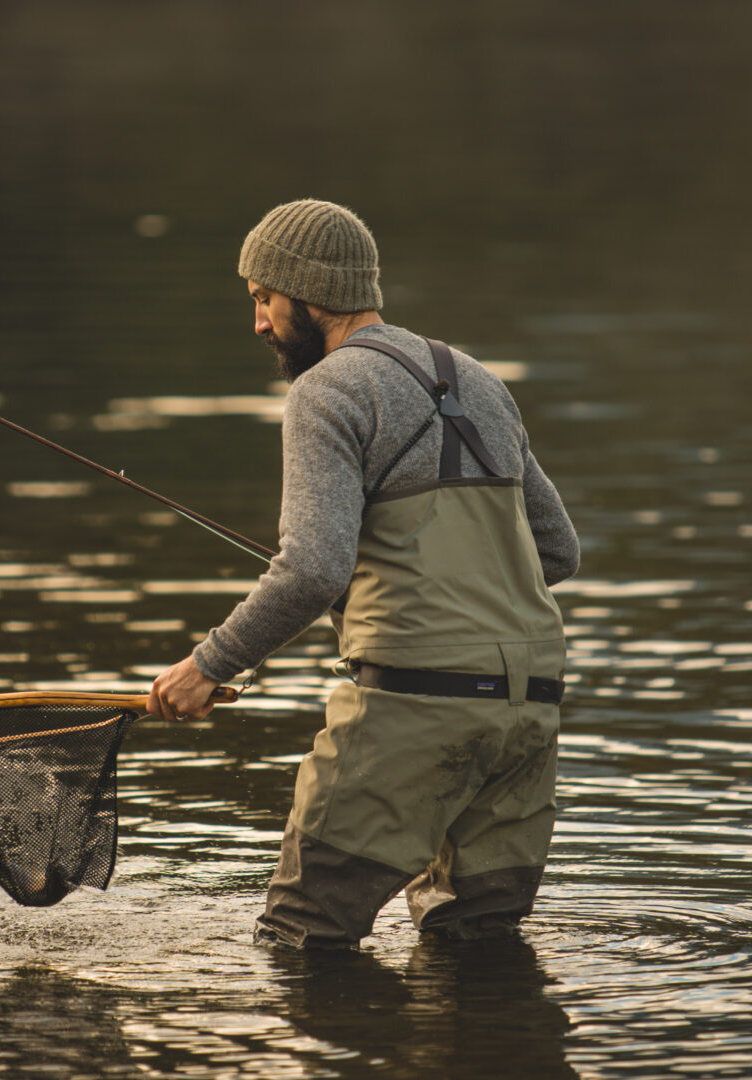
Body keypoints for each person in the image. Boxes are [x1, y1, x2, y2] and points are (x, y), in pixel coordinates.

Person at [148, 199, 578, 948]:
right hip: (528, 711)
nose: (258, 322)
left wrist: (208, 664)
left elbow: (312, 569)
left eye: (263, 299)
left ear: (309, 297)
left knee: (299, 940)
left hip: (412, 709)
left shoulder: (328, 391)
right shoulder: (480, 381)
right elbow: (559, 552)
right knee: (476, 950)